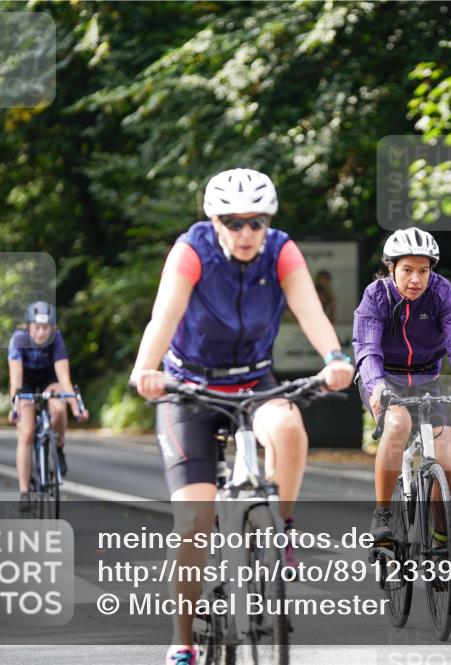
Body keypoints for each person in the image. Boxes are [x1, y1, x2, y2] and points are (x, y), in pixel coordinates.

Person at [130, 167, 354, 665]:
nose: (246, 233)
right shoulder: (191, 252)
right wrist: (146, 369)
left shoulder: (280, 250)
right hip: (189, 388)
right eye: (234, 222)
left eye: (257, 222)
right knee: (194, 522)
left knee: (290, 426)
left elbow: (310, 309)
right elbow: (163, 315)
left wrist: (335, 358)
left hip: (254, 381)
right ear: (214, 220)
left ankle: (282, 528)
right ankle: (183, 639)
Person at [352, 227, 451, 545]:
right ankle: (383, 514)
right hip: (385, 379)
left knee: (447, 459)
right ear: (391, 268)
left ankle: (442, 537)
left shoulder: (441, 293)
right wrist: (376, 388)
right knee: (398, 424)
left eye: (423, 270)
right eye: (408, 270)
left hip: (427, 379)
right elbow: (367, 348)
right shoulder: (377, 295)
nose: (416, 279)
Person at [7, 301, 88, 510]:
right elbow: (15, 379)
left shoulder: (56, 340)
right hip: (26, 382)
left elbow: (64, 377)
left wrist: (75, 408)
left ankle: (58, 447)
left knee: (59, 409)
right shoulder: (18, 339)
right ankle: (24, 491)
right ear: (28, 326)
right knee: (26, 432)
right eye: (37, 328)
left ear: (52, 328)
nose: (41, 333)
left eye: (46, 328)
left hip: (49, 381)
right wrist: (14, 407)